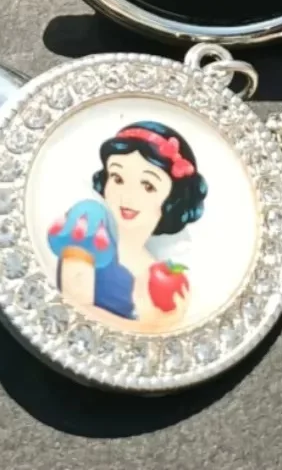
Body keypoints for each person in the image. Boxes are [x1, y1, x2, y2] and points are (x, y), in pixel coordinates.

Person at [47, 121, 206, 333]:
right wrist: (151, 328)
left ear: (171, 200)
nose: (127, 195)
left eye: (148, 185)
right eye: (118, 178)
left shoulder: (156, 270)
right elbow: (72, 311)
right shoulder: (90, 222)